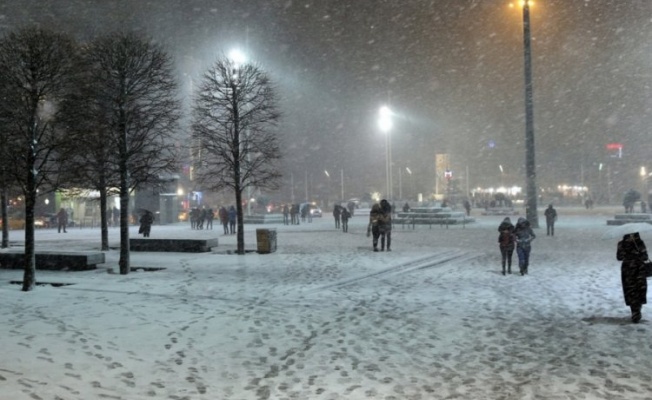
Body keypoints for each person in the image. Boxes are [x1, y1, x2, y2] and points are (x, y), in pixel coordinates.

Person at [616, 232, 649, 323]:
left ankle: (634, 311)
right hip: (639, 269)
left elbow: (619, 257)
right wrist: (638, 254)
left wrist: (627, 256)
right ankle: (637, 310)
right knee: (640, 289)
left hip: (627, 270)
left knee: (630, 290)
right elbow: (645, 257)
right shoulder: (639, 242)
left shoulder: (621, 243)